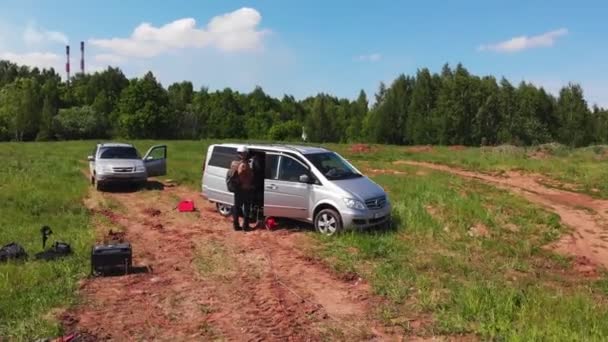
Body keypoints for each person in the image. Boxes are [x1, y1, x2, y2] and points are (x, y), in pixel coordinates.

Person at [229, 146, 254, 231]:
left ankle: (236, 226)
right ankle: (245, 226)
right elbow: (242, 173)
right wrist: (248, 183)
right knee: (246, 207)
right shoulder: (243, 164)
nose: (246, 155)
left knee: (236, 207)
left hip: (237, 189)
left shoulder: (234, 162)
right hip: (244, 189)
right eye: (246, 153)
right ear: (244, 153)